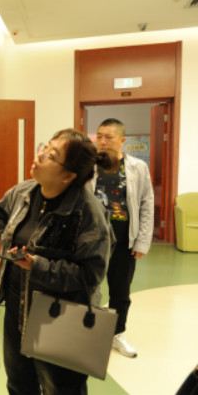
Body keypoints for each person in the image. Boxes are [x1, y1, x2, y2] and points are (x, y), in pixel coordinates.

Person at [0, 128, 117, 395]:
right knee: (18, 385)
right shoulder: (23, 192)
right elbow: (0, 211)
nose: (40, 154)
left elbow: (90, 275)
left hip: (61, 319)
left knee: (60, 389)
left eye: (52, 154)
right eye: (44, 147)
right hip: (17, 310)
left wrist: (37, 265)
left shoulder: (87, 212)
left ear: (68, 175)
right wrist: (7, 240)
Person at [90, 118, 154, 358]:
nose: (103, 141)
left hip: (124, 241)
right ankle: (88, 331)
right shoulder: (89, 166)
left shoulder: (137, 167)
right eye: (99, 136)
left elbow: (147, 204)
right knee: (88, 288)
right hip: (92, 241)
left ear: (122, 140)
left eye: (109, 137)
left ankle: (117, 333)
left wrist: (142, 242)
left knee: (120, 292)